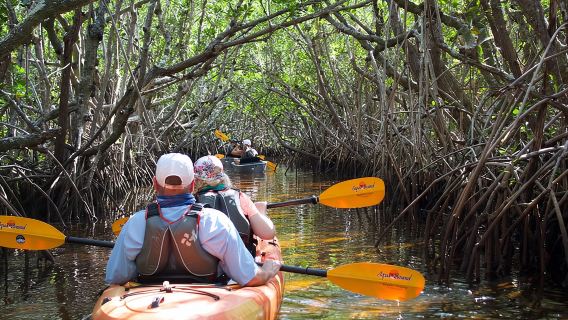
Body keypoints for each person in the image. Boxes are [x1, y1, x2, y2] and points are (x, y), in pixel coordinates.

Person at [105, 153, 281, 286]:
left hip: (149, 299)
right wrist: (265, 272)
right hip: (209, 296)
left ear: (154, 184)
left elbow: (115, 277)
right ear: (192, 185)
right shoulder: (215, 221)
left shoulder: (135, 223)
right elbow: (249, 277)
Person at [193, 155, 275, 254]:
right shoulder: (240, 197)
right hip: (239, 257)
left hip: (207, 261)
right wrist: (260, 212)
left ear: (196, 179)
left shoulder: (193, 201)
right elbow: (268, 233)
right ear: (222, 174)